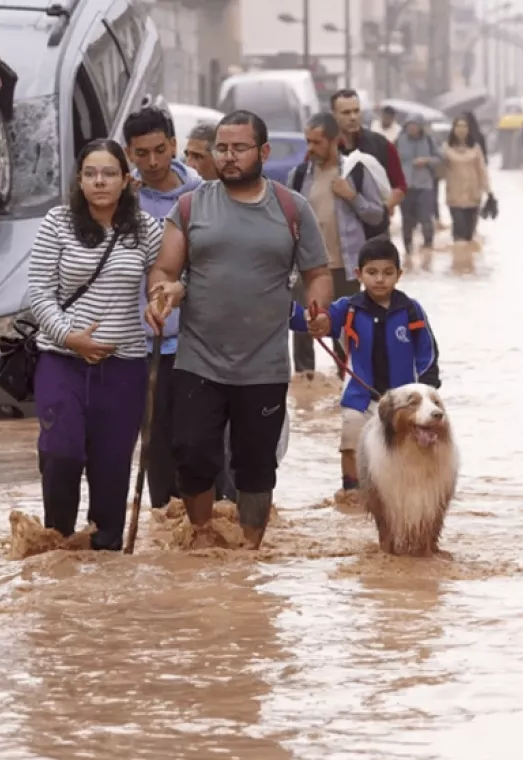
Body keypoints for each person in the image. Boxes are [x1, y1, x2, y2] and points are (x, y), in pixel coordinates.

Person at [146, 110, 334, 549]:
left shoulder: (292, 208)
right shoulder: (190, 206)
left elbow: (318, 273)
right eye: (222, 148)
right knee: (192, 456)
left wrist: (319, 310)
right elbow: (165, 269)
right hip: (198, 360)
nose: (229, 157)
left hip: (264, 365)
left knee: (256, 468)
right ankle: (202, 536)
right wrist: (161, 294)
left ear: (263, 152)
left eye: (239, 148)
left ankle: (250, 551)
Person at [25, 139, 163, 551]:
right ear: (80, 180)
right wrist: (70, 337)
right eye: (90, 173)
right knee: (61, 454)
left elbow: (170, 275)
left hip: (124, 368)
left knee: (112, 467)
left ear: (126, 180)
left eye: (109, 173)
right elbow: (39, 293)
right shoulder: (57, 222)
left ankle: (105, 557)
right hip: (61, 360)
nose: (99, 181)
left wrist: (162, 298)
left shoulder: (146, 229)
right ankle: (58, 547)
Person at [122, 107, 234, 508]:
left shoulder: (204, 195)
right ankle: (165, 525)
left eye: (159, 150)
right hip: (144, 343)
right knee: (157, 446)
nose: (152, 162)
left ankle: (214, 522)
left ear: (173, 145)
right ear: (129, 153)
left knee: (203, 442)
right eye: (141, 153)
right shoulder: (122, 200)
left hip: (200, 341)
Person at [292, 237, 439, 504]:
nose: (379, 279)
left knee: (407, 448)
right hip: (360, 397)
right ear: (358, 274)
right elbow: (320, 321)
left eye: (387, 272)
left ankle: (404, 496)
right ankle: (352, 494)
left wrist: (428, 389)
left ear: (399, 275)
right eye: (372, 272)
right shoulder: (348, 309)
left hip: (403, 402)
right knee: (351, 444)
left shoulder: (412, 311)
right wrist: (303, 315)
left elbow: (427, 352)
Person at [287, 112, 385, 379]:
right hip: (307, 267)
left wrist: (351, 196)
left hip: (345, 267)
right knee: (303, 331)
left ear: (334, 141)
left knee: (344, 332)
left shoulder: (356, 172)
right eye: (307, 141)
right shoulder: (298, 176)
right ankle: (306, 387)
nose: (310, 148)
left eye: (316, 142)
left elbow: (377, 214)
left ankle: (346, 384)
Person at [330, 89, 407, 228]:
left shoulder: (381, 145)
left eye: (356, 111)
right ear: (333, 115)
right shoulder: (325, 148)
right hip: (338, 229)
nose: (353, 117)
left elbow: (400, 187)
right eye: (346, 113)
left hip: (375, 231)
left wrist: (382, 211)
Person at [443, 115, 493, 263]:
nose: (461, 129)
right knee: (459, 234)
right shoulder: (446, 149)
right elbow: (439, 171)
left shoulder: (475, 148)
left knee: (469, 235)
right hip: (454, 196)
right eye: (458, 126)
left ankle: (467, 266)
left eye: (464, 126)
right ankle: (457, 265)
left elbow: (482, 171)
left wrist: (489, 192)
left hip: (473, 196)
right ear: (453, 129)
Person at [394, 118, 441, 262]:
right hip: (405, 186)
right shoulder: (399, 141)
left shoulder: (429, 141)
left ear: (420, 127)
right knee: (407, 221)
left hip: (425, 186)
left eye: (415, 125)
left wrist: (426, 160)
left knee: (426, 219)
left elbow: (439, 158)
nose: (412, 128)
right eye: (409, 125)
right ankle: (408, 253)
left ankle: (428, 252)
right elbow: (391, 161)